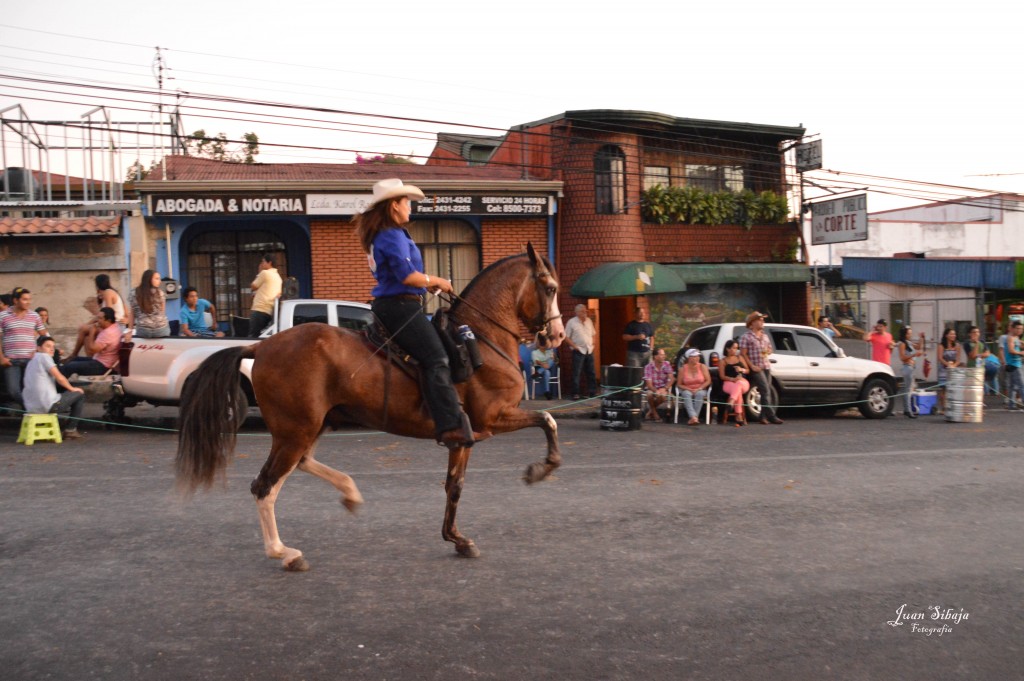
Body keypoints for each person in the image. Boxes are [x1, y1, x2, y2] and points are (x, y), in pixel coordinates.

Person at [354, 178, 483, 448]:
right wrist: (437, 280)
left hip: (399, 304)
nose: (410, 206)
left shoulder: (386, 234)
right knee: (436, 358)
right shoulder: (391, 235)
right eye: (405, 201)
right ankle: (450, 426)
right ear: (393, 207)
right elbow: (409, 277)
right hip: (399, 306)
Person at [23, 335, 85, 439]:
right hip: (47, 406)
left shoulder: (31, 361)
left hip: (30, 407)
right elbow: (60, 378)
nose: (52, 349)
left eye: (53, 346)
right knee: (80, 394)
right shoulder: (44, 357)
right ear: (38, 348)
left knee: (62, 393)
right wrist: (72, 389)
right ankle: (70, 429)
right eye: (48, 346)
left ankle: (48, 426)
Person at [1, 287, 48, 407]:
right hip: (11, 360)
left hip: (31, 360)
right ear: (16, 300)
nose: (28, 302)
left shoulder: (34, 316)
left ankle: (30, 411)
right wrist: (1, 358)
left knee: (32, 388)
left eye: (29, 299)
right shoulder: (3, 316)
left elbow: (44, 336)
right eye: (25, 299)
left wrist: (39, 351)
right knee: (13, 390)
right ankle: (32, 408)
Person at [739, 310, 783, 425]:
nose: (762, 321)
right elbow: (743, 353)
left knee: (766, 391)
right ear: (752, 323)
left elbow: (770, 349)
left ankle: (762, 416)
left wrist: (768, 351)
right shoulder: (746, 337)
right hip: (756, 367)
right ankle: (772, 415)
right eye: (760, 319)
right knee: (765, 389)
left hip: (766, 365)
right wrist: (751, 366)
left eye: (763, 319)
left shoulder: (764, 335)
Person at [71, 273, 127, 358]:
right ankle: (91, 360)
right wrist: (88, 324)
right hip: (110, 324)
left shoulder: (108, 292)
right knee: (86, 337)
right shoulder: (109, 293)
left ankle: (74, 354)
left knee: (82, 329)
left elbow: (107, 313)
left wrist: (87, 325)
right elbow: (100, 315)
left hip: (113, 325)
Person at [60, 307, 121, 378]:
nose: (98, 321)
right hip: (99, 360)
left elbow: (91, 350)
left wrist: (92, 332)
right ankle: (59, 380)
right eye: (98, 318)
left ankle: (58, 387)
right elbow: (83, 328)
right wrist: (94, 323)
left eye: (100, 318)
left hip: (103, 366)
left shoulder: (108, 333)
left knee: (69, 366)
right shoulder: (113, 326)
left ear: (108, 320)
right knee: (72, 360)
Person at [125, 270, 170, 340]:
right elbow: (163, 313)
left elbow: (132, 314)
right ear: (149, 279)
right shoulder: (161, 294)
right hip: (161, 330)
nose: (160, 281)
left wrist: (130, 330)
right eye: (157, 278)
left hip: (143, 330)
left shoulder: (134, 293)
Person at [564, 303, 597, 400]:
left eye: (585, 311)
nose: (585, 313)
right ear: (577, 312)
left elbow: (593, 334)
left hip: (589, 349)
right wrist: (574, 346)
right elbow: (566, 337)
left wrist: (593, 344)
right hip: (578, 350)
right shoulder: (571, 322)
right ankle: (575, 393)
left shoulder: (589, 321)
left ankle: (592, 392)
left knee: (591, 372)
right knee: (576, 373)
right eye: (582, 311)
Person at [248, 254, 282, 339]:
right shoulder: (278, 277)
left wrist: (259, 273)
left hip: (260, 309)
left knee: (253, 337)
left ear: (269, 262)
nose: (261, 264)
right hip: (269, 311)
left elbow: (253, 286)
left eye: (263, 261)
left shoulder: (264, 273)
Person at [719, 339, 751, 426]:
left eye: (736, 348)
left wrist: (742, 370)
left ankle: (731, 403)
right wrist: (732, 379)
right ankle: (739, 415)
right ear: (727, 349)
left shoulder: (739, 357)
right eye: (733, 348)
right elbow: (722, 376)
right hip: (729, 383)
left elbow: (748, 370)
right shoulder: (723, 361)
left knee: (739, 384)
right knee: (738, 390)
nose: (735, 350)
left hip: (742, 381)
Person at [675, 348, 711, 425]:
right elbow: (679, 384)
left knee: (700, 394)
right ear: (689, 358)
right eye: (694, 356)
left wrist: (700, 388)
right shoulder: (682, 369)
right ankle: (694, 417)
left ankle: (693, 418)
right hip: (687, 388)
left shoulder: (702, 367)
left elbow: (708, 380)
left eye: (698, 356)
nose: (697, 358)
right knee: (686, 394)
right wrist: (688, 388)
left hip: (700, 388)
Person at [897, 325, 926, 418]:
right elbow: (902, 357)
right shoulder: (902, 343)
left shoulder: (908, 342)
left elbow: (918, 347)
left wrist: (921, 338)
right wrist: (914, 354)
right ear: (904, 334)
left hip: (912, 367)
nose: (910, 335)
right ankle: (908, 410)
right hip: (907, 367)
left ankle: (908, 409)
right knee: (908, 389)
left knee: (910, 388)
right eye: (909, 333)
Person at [935, 327, 962, 414]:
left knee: (953, 388)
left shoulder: (957, 345)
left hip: (953, 369)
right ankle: (944, 407)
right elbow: (940, 358)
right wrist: (947, 364)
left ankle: (952, 407)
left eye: (954, 334)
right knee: (944, 389)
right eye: (951, 334)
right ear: (946, 335)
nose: (953, 336)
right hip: (943, 369)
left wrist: (954, 365)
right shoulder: (941, 345)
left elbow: (958, 359)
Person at [642, 347, 674, 421]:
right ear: (655, 357)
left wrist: (665, 388)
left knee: (662, 396)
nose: (664, 356)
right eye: (661, 355)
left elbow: (671, 379)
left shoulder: (667, 365)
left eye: (664, 355)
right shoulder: (648, 367)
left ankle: (650, 412)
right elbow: (649, 384)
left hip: (664, 388)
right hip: (652, 388)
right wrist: (656, 390)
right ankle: (655, 414)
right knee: (649, 395)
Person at [1003, 320, 1024, 410]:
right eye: (1018, 328)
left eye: (1021, 329)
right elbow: (1011, 350)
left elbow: (1020, 345)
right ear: (1013, 328)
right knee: (1021, 385)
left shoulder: (1016, 338)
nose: (1020, 330)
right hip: (1014, 364)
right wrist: (1021, 353)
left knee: (1012, 386)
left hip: (1014, 364)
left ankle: (1011, 405)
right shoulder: (1011, 338)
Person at [530, 332, 556, 400]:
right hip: (539, 367)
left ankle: (538, 372)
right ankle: (547, 392)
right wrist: (543, 364)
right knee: (547, 371)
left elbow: (552, 360)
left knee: (551, 361)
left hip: (544, 369)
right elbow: (536, 361)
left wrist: (548, 362)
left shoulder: (549, 351)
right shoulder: (535, 352)